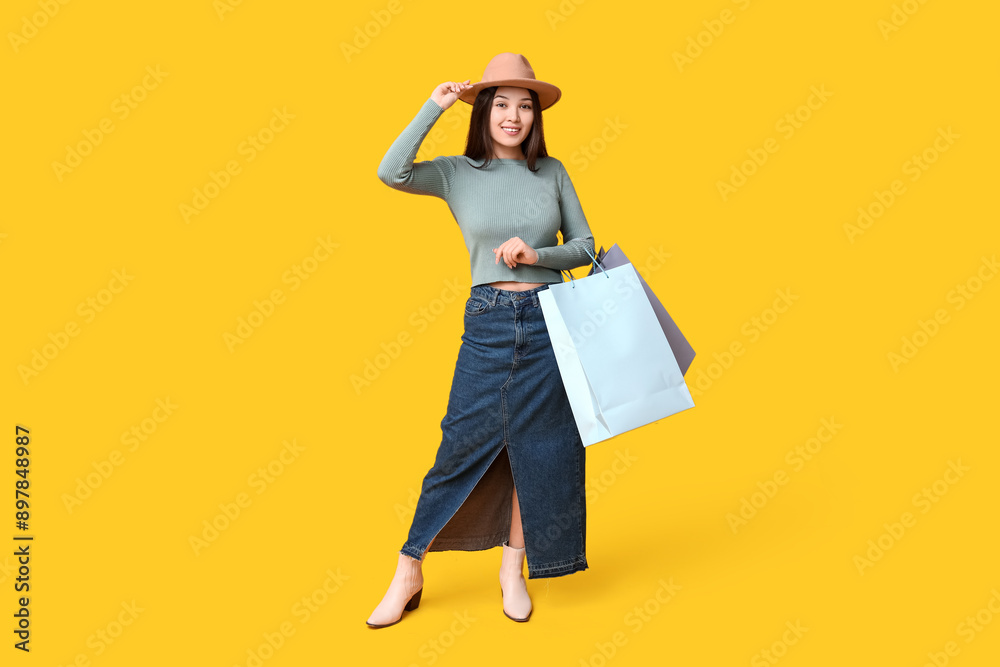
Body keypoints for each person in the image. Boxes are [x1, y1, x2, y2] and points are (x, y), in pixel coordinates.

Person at [367, 52, 596, 628]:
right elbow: (391, 171)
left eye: (525, 106)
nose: (514, 116)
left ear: (536, 115)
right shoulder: (456, 172)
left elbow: (588, 247)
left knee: (540, 453)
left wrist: (536, 254)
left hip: (549, 320)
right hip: (489, 320)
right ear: (484, 111)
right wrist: (434, 105)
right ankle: (409, 570)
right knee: (460, 445)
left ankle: (511, 572)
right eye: (501, 105)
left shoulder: (553, 172)